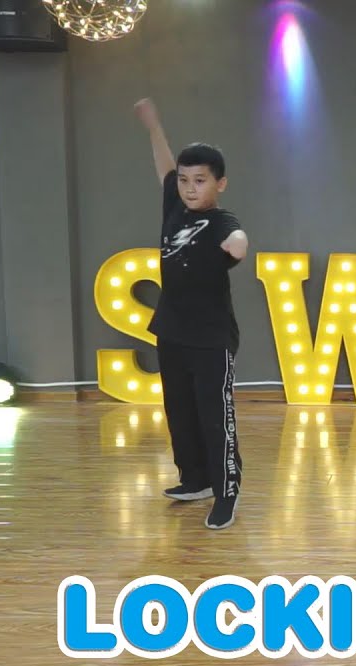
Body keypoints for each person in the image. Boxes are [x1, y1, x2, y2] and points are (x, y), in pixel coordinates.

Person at [134, 98, 248, 529]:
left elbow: (238, 237)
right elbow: (165, 167)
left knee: (215, 417)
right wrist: (154, 127)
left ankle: (226, 491)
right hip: (172, 330)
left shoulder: (221, 220)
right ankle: (195, 479)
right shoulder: (175, 207)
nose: (189, 188)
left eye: (200, 181)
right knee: (179, 412)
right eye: (185, 180)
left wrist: (237, 245)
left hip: (211, 337)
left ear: (220, 183)